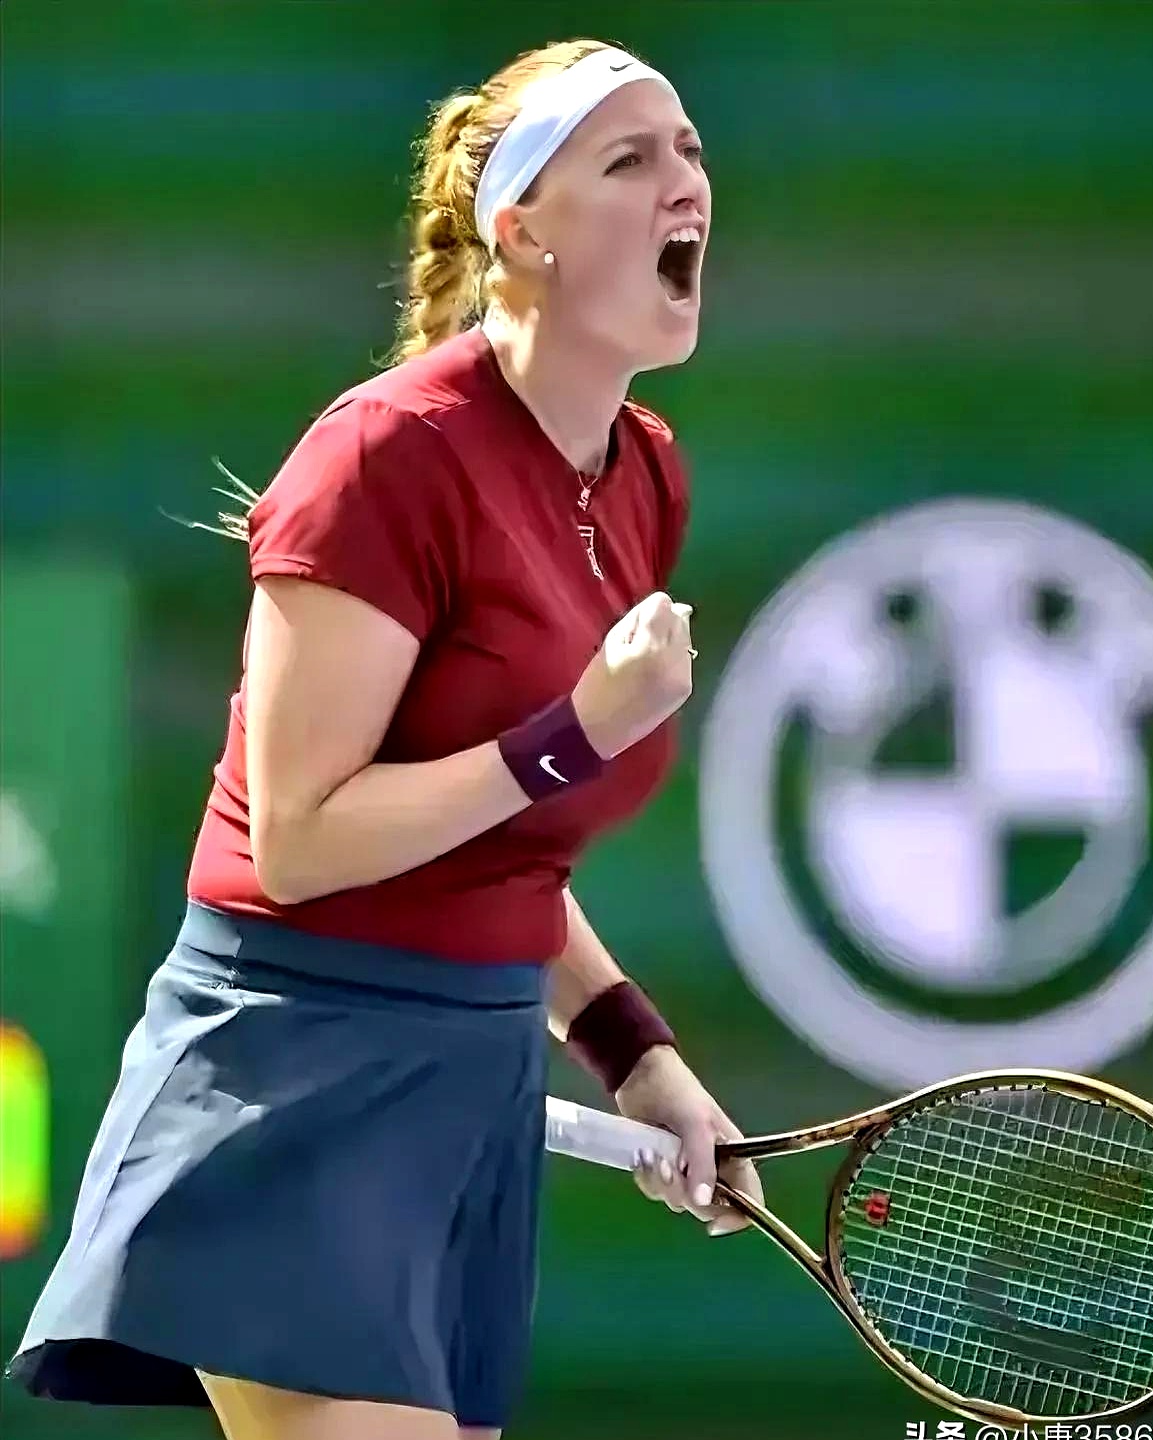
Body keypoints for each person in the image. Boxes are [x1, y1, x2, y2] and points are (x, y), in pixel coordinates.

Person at [6, 36, 763, 1440]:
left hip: (471, 1096)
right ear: (520, 231)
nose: (686, 186)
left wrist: (640, 1056)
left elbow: (503, 864)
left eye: (693, 153)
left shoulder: (646, 474)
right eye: (632, 158)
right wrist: (574, 732)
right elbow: (299, 842)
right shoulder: (381, 461)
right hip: (294, 1078)